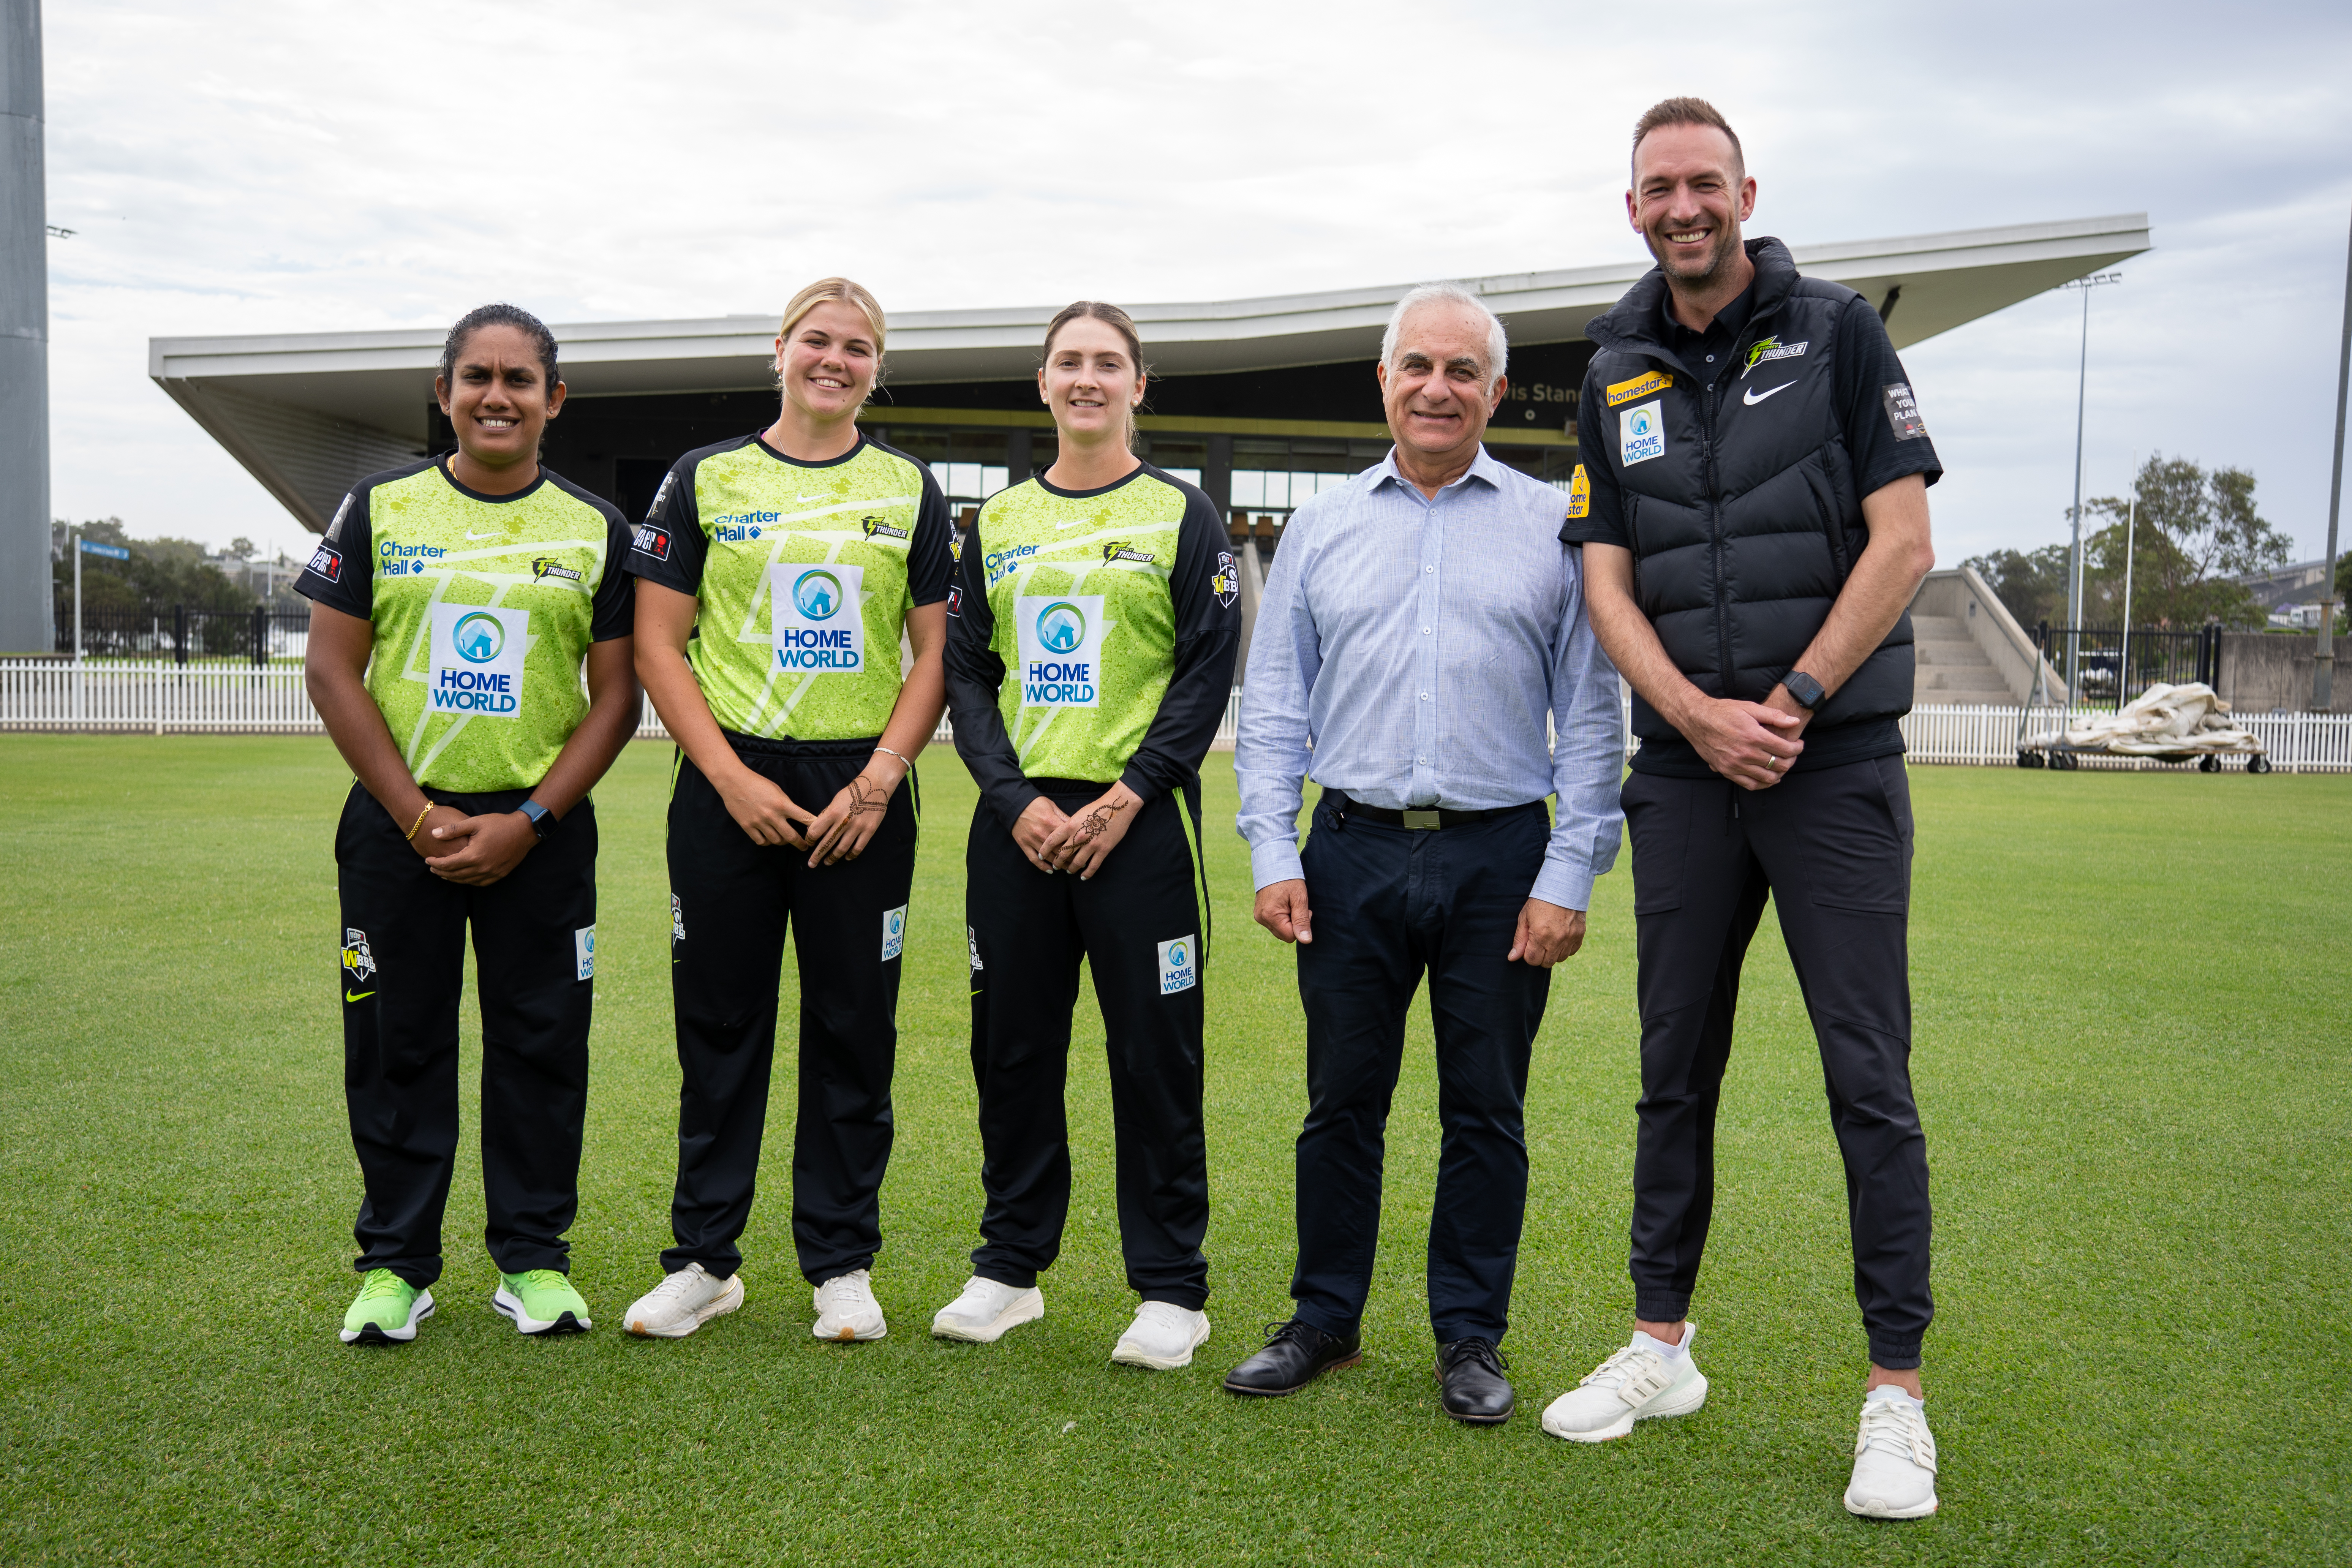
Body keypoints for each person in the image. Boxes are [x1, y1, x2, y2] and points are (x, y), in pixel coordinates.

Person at [1545, 98, 1944, 1521]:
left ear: (1745, 190)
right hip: (1684, 772)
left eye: (1702, 182)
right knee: (1674, 1067)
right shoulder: (1613, 366)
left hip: (1828, 763)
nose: (1681, 206)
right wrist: (1701, 720)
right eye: (1658, 188)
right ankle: (1663, 1345)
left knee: (1866, 1077)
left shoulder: (1839, 333)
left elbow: (1904, 541)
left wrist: (1786, 702)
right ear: (1633, 207)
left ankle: (1895, 1398)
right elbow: (1605, 579)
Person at [1225, 283, 1625, 1424]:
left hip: (1501, 859)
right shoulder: (1322, 527)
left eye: (1463, 372)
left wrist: (1568, 875)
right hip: (1347, 850)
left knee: (1485, 1110)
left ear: (1495, 391)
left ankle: (1469, 1337)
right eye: (1419, 368)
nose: (1438, 389)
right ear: (1386, 382)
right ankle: (1325, 1320)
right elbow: (1275, 703)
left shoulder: (1554, 524)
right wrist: (1271, 850)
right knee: (1339, 1103)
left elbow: (1593, 717)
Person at [298, 303, 641, 1345]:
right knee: (396, 1043)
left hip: (541, 834)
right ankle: (395, 1268)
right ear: (444, 393)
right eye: (477, 376)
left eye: (520, 379)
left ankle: (533, 1261)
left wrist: (530, 819)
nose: (499, 395)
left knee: (543, 1045)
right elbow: (330, 667)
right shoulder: (377, 508)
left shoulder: (596, 528)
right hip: (401, 829)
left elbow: (618, 697)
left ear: (554, 400)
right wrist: (415, 814)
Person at [619, 278, 953, 1344]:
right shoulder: (702, 479)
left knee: (855, 1027)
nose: (836, 361)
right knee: (720, 1028)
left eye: (858, 348)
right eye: (819, 341)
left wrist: (881, 776)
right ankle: (706, 1261)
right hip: (731, 784)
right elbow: (657, 645)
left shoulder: (908, 487)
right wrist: (728, 777)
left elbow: (938, 651)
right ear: (780, 350)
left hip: (861, 788)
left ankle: (841, 1263)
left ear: (875, 367)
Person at [937, 300, 1241, 1369]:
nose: (1087, 379)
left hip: (1141, 826)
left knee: (1154, 1055)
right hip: (1017, 826)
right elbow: (968, 673)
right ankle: (1010, 1269)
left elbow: (1208, 668)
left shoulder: (1181, 512)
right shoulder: (999, 523)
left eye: (1108, 363)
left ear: (1138, 385)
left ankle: (1171, 1288)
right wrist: (1014, 797)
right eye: (1069, 362)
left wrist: (1129, 794)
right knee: (1011, 1049)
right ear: (1043, 382)